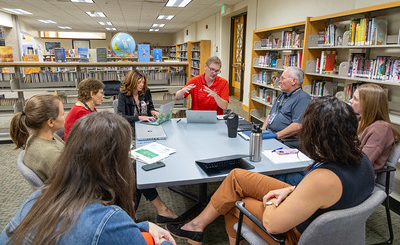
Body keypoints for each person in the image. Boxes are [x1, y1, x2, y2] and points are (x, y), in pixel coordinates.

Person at [167, 96, 374, 245]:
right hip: (317, 206)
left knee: (233, 203)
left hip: (300, 234)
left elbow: (273, 224)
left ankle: (198, 227)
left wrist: (274, 200)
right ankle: (196, 225)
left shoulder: (324, 178)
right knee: (237, 177)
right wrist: (291, 190)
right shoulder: (362, 159)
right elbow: (326, 194)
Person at [1, 112, 176, 245]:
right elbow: (104, 229)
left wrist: (142, 226)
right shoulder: (109, 220)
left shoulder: (36, 199)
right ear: (116, 164)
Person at [118, 69, 180, 224]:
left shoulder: (146, 92)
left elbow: (150, 105)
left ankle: (132, 212)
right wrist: (139, 117)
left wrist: (153, 111)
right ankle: (134, 210)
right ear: (132, 82)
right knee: (138, 169)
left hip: (146, 129)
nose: (142, 85)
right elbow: (120, 117)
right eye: (139, 82)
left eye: (143, 82)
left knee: (159, 151)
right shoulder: (123, 96)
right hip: (131, 134)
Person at [9, 94, 65, 182]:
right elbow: (72, 184)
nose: (65, 116)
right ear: (50, 122)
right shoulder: (51, 155)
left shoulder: (36, 138)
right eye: (62, 114)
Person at [350, 83, 400, 170]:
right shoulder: (361, 120)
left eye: (355, 99)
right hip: (348, 169)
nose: (350, 101)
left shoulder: (381, 128)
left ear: (368, 104)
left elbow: (363, 161)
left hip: (359, 176)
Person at [261, 67, 310, 149]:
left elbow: (298, 125)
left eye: (283, 78)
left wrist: (276, 135)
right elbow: (270, 115)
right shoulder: (282, 95)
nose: (279, 81)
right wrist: (262, 130)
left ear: (294, 81)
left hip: (285, 141)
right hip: (271, 134)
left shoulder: (303, 98)